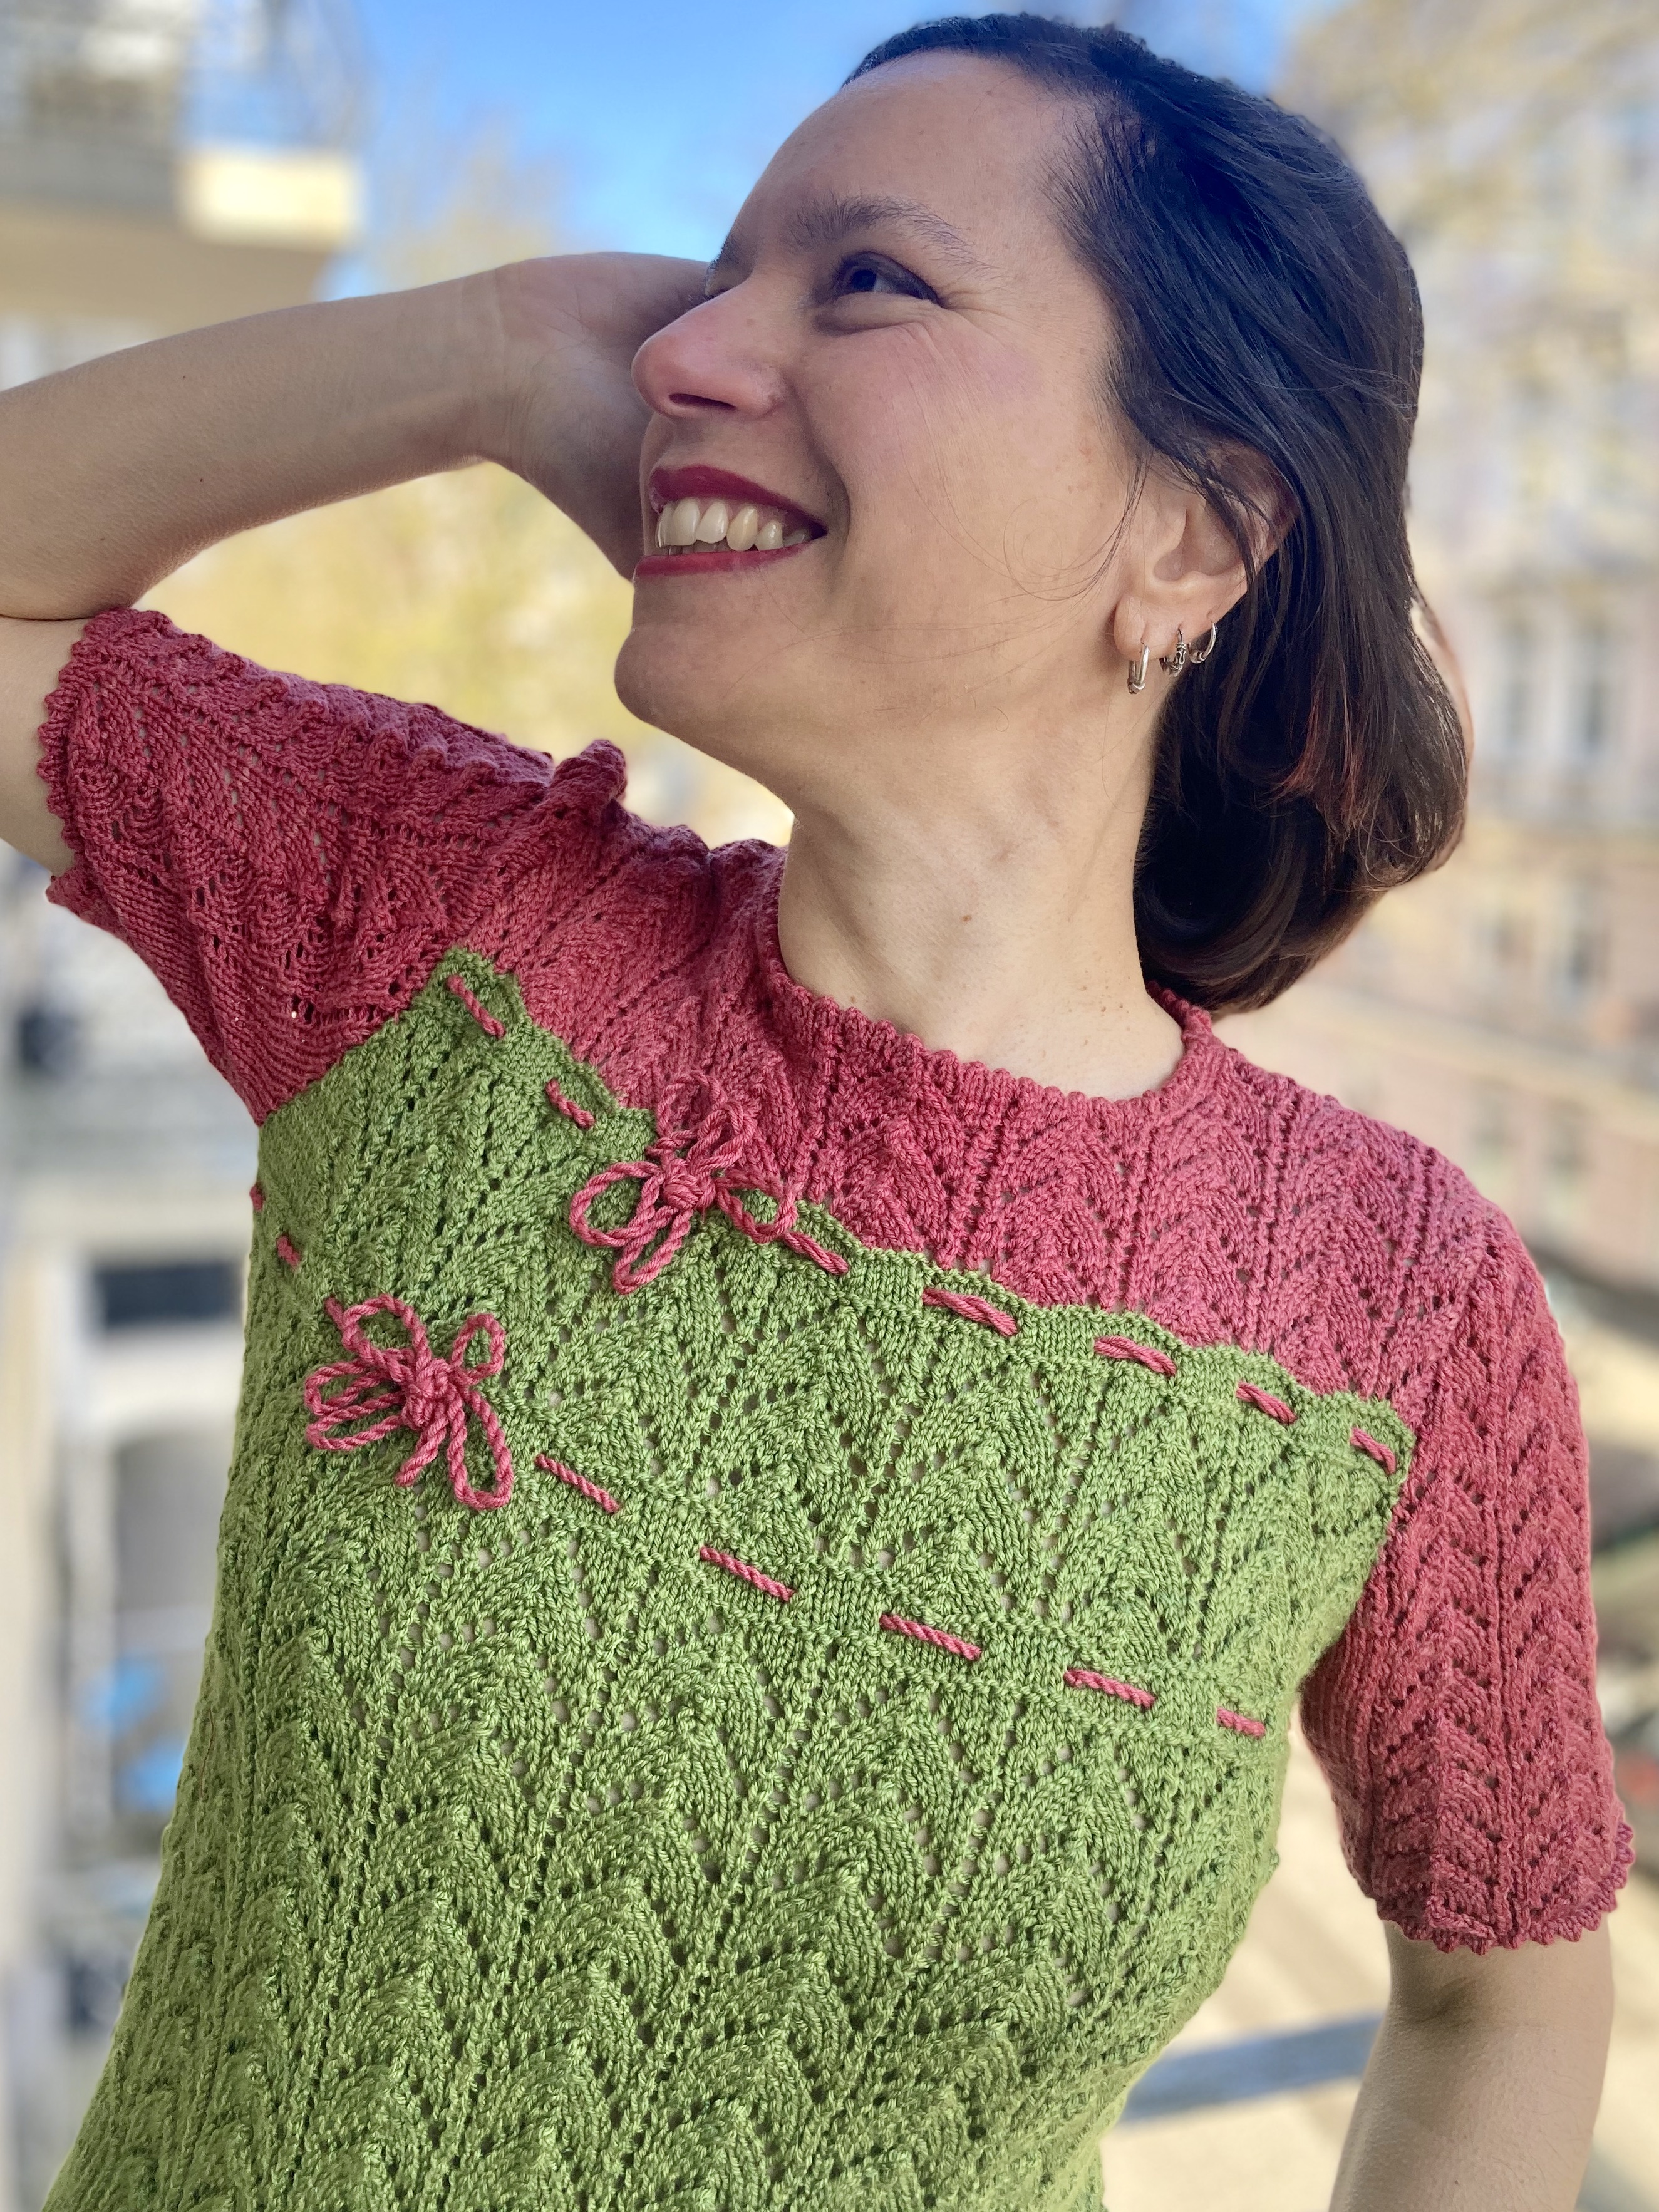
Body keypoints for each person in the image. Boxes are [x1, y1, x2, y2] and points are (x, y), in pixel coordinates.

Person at [0, 14, 1628, 2210]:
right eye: (702, 287)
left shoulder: (1393, 1308)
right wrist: (496, 348)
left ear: (1193, 533)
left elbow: (1503, 1987)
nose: (683, 355)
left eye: (868, 280)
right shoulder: (448, 929)